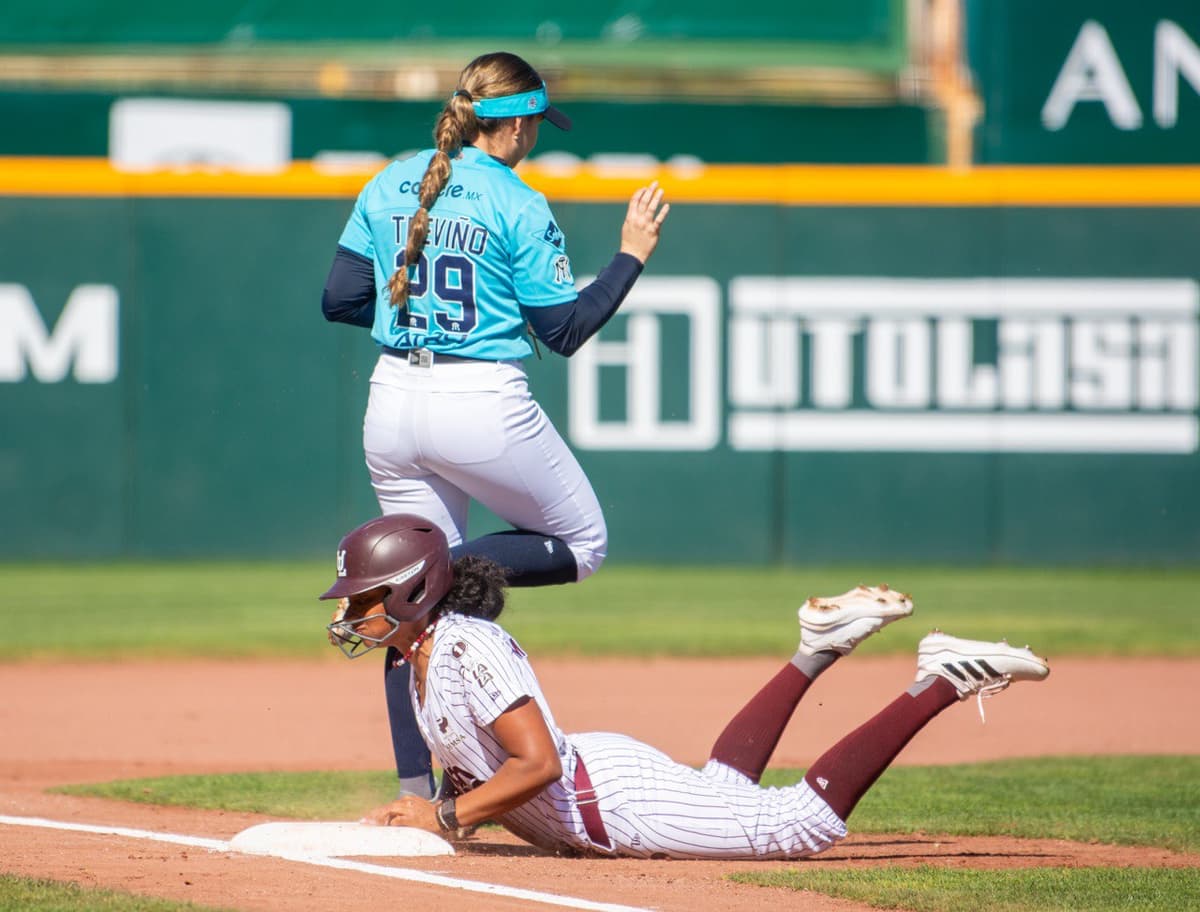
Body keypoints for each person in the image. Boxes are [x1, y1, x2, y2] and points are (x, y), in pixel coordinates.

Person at [320, 51, 670, 798]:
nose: (536, 136)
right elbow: (565, 329)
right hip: (479, 402)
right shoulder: (516, 200)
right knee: (584, 543)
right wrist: (630, 257)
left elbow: (339, 299)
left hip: (391, 398)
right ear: (511, 124)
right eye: (535, 123)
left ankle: (418, 797)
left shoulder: (388, 180)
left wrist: (411, 315)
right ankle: (427, 577)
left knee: (408, 607)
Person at [319, 513, 1052, 860]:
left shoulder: (466, 646)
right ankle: (815, 651)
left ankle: (940, 681)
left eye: (362, 597)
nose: (351, 612)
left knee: (797, 828)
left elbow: (536, 764)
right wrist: (439, 809)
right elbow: (480, 763)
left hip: (610, 800)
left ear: (412, 591)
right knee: (726, 788)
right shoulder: (423, 657)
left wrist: (445, 822)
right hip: (597, 792)